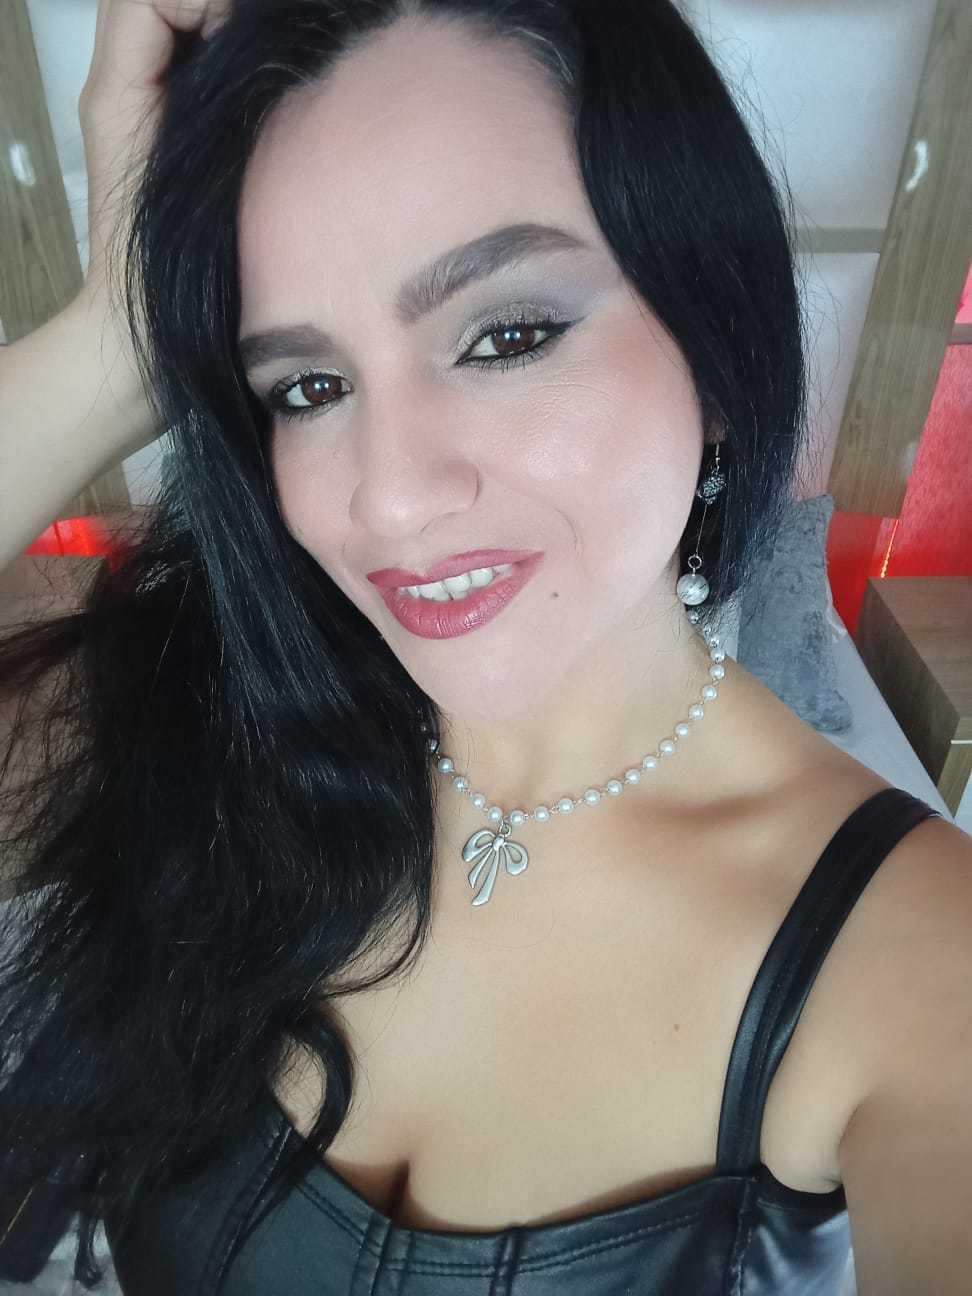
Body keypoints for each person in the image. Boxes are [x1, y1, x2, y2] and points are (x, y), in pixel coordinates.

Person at [0, 1, 970, 1293]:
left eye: (507, 336)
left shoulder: (918, 964)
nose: (391, 498)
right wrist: (116, 337)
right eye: (308, 387)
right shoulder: (213, 709)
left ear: (716, 349)